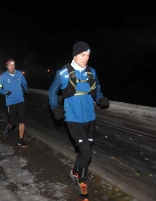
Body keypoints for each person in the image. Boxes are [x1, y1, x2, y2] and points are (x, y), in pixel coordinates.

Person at [48, 41, 109, 201]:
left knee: (84, 150)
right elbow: (52, 91)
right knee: (87, 152)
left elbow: (98, 90)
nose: (86, 58)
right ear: (75, 55)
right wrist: (54, 107)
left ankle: (74, 171)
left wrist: (101, 98)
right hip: (73, 118)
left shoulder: (91, 72)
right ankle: (81, 180)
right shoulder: (63, 73)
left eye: (88, 55)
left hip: (90, 118)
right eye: (83, 55)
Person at [0, 58, 29, 148]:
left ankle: (20, 140)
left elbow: (24, 83)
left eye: (13, 65)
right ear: (6, 66)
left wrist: (25, 88)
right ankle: (8, 129)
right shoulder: (3, 76)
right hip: (10, 102)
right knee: (13, 122)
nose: (12, 67)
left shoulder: (19, 73)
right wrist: (4, 92)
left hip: (20, 100)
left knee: (22, 121)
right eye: (10, 65)